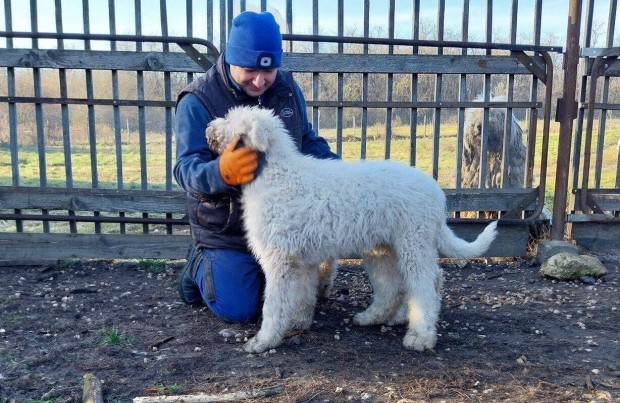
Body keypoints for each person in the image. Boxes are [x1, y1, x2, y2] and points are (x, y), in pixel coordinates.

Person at [173, 11, 339, 323]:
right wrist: (221, 172)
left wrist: (342, 172)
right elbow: (186, 169)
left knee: (297, 297)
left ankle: (258, 276)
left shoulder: (286, 88)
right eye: (249, 70)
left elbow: (307, 140)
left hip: (286, 222)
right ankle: (198, 263)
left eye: (269, 70)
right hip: (227, 229)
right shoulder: (197, 100)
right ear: (230, 57)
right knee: (240, 310)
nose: (260, 81)